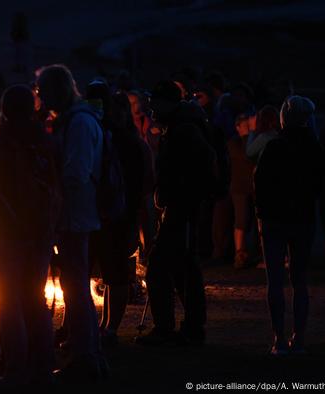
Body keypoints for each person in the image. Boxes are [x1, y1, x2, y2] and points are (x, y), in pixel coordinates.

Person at [0, 85, 59, 389]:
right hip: (38, 233)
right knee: (33, 299)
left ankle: (15, 371)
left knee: (10, 302)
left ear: (6, 110)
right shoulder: (46, 143)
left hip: (7, 234)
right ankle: (42, 367)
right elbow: (54, 188)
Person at [36, 64, 106, 382]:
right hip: (76, 215)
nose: (42, 97)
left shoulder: (78, 123)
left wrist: (53, 192)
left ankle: (86, 357)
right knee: (74, 287)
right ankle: (88, 353)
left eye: (44, 91)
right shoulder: (76, 120)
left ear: (58, 90)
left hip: (76, 217)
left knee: (76, 288)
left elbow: (76, 172)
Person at [136, 80, 216, 347]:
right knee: (183, 268)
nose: (151, 109)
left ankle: (167, 328)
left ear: (168, 103)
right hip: (181, 207)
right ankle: (191, 327)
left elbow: (195, 171)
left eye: (155, 103)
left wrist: (174, 193)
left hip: (182, 208)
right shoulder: (182, 126)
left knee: (161, 267)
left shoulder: (185, 130)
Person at [253, 96, 325, 355]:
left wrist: (261, 212)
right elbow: (318, 185)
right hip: (302, 219)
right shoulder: (314, 149)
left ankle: (279, 339)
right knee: (299, 280)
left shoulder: (274, 146)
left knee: (274, 280)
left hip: (273, 219)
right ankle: (300, 338)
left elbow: (259, 183)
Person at [90, 90, 150, 346]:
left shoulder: (128, 143)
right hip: (109, 214)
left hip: (120, 215)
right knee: (112, 273)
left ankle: (110, 328)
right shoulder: (113, 138)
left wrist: (143, 227)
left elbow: (142, 186)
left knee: (117, 273)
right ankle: (106, 327)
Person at [229, 114, 257, 269]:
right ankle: (240, 253)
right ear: (238, 127)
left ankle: (252, 252)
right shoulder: (234, 143)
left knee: (252, 221)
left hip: (252, 186)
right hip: (239, 187)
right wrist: (249, 134)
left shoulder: (254, 140)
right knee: (241, 220)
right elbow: (247, 154)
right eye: (244, 126)